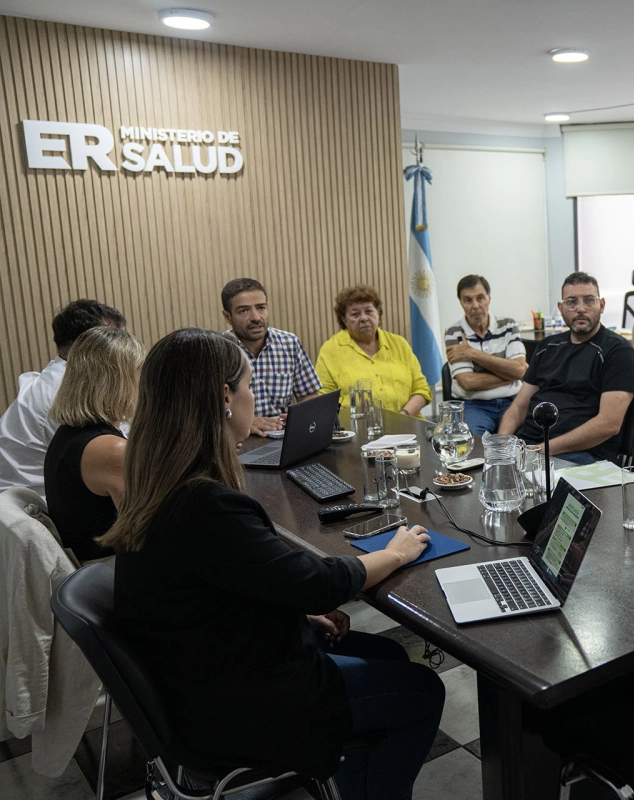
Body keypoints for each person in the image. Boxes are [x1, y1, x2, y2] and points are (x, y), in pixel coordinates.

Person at [100, 329, 444, 800]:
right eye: (248, 386)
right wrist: (395, 553)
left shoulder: (158, 483)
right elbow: (318, 583)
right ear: (225, 398)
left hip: (199, 676)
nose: (253, 397)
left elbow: (219, 584)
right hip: (242, 701)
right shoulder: (206, 505)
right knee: (423, 691)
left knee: (390, 656)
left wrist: (294, 612)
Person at [498, 272, 634, 465]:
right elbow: (518, 408)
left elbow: (608, 424)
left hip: (582, 455)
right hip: (531, 449)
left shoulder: (618, 351)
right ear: (561, 308)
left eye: (589, 300)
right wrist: (502, 447)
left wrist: (540, 451)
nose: (581, 309)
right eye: (572, 302)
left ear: (601, 305)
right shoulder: (547, 346)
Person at [0, 299, 125, 500]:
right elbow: (121, 456)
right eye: (115, 340)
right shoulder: (69, 393)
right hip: (38, 509)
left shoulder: (51, 380)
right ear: (89, 345)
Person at [44, 327, 144, 563]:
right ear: (119, 381)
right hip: (109, 571)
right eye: (140, 370)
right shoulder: (109, 449)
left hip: (95, 568)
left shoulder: (69, 433)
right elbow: (147, 532)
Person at [220, 278, 321, 436]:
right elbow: (204, 412)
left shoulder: (289, 343)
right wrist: (244, 422)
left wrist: (300, 416)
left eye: (261, 308)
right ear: (228, 317)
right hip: (237, 440)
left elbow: (309, 395)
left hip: (282, 436)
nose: (256, 317)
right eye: (243, 311)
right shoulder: (219, 351)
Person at [316, 285, 432, 416]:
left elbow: (422, 389)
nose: (364, 318)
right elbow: (324, 401)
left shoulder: (399, 344)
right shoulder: (330, 351)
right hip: (356, 426)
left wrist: (403, 416)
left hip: (407, 423)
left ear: (378, 313)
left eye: (369, 311)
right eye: (355, 314)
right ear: (344, 319)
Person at [443, 275, 527, 436]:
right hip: (474, 404)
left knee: (532, 438)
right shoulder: (453, 332)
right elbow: (467, 382)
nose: (475, 306)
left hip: (512, 400)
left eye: (480, 298)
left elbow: (519, 370)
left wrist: (472, 353)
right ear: (461, 303)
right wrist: (511, 375)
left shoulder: (508, 326)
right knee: (473, 443)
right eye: (468, 300)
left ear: (489, 298)